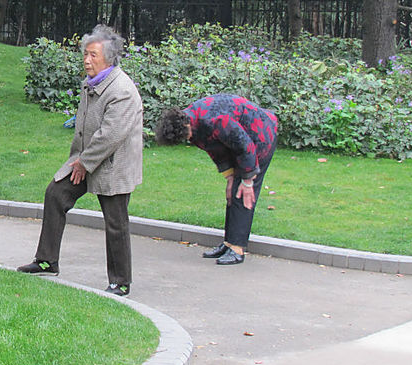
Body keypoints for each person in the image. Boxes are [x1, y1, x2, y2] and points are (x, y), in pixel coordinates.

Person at [17, 25, 143, 297]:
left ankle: (120, 282)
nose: (87, 60)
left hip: (112, 167)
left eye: (93, 55)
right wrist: (81, 162)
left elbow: (111, 135)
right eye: (85, 54)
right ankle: (47, 260)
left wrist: (85, 162)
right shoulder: (93, 83)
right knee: (55, 193)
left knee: (116, 221)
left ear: (108, 58)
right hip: (84, 162)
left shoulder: (121, 89)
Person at [155, 94, 278, 265]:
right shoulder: (193, 123)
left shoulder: (216, 120)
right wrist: (229, 176)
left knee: (242, 193)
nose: (188, 139)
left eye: (186, 135)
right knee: (232, 191)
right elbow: (214, 149)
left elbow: (245, 146)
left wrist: (248, 181)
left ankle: (237, 249)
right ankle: (229, 243)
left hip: (260, 136)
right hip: (241, 144)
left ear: (186, 124)